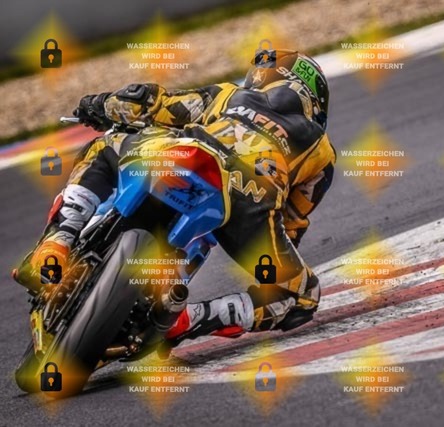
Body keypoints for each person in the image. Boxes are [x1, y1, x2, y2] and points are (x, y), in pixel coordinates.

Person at [24, 48, 335, 347]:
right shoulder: (321, 151)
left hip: (185, 153)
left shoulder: (228, 94)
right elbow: (292, 224)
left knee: (103, 147)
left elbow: (150, 102)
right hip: (249, 202)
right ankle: (191, 317)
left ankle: (59, 239)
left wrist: (99, 105)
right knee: (302, 297)